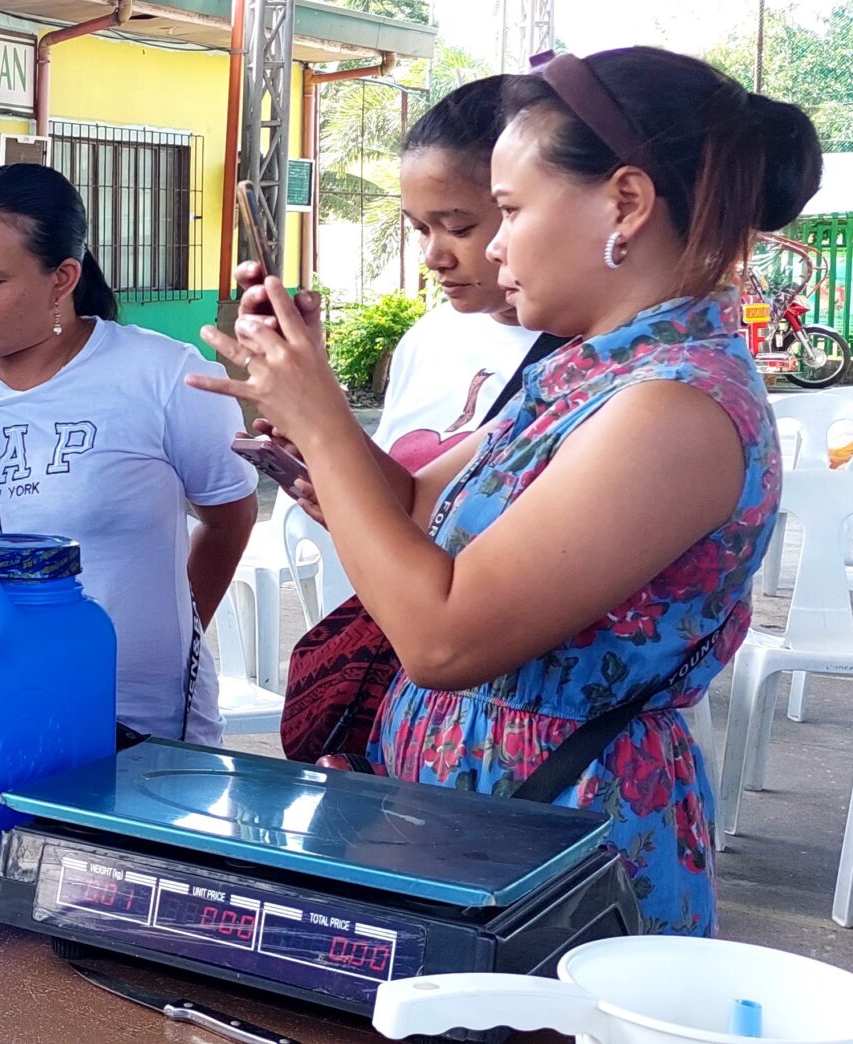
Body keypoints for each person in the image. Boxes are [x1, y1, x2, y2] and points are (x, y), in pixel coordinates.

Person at [195, 46, 820, 936]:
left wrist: (325, 426)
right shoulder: (586, 368)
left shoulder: (676, 408)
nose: (489, 247)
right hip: (474, 812)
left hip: (561, 832)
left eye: (511, 211)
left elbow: (446, 640)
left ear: (626, 204)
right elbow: (415, 510)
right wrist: (305, 399)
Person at [0, 163, 258, 743]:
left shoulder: (164, 376)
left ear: (63, 277)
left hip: (136, 722)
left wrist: (172, 630)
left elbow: (231, 517)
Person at [371, 76, 561, 471]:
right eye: (420, 229)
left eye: (459, 229)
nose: (432, 256)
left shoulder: (592, 363)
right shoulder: (428, 337)